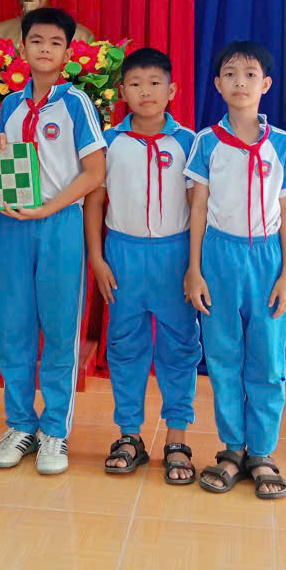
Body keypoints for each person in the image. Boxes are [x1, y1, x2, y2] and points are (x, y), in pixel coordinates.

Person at [0, 7, 106, 474]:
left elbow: (95, 172)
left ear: (68, 53)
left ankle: (55, 430)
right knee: (13, 329)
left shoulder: (76, 104)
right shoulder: (11, 105)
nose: (45, 49)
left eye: (55, 43)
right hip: (14, 226)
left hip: (59, 225)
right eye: (36, 41)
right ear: (22, 47)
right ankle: (20, 424)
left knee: (59, 330)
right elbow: (1, 164)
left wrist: (49, 208)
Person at [184, 41, 286, 499]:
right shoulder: (207, 142)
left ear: (266, 85)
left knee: (268, 359)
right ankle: (232, 448)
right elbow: (198, 208)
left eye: (250, 75)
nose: (240, 83)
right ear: (217, 84)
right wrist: (194, 269)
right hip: (219, 257)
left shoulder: (281, 144)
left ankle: (263, 452)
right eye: (230, 74)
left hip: (267, 259)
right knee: (222, 356)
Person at [84, 47, 200, 483]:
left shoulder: (189, 142)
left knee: (180, 347)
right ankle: (129, 435)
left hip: (175, 257)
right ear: (121, 92)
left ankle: (177, 438)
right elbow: (94, 201)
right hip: (123, 255)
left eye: (154, 83)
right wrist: (97, 258)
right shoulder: (110, 143)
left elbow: (199, 208)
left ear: (172, 90)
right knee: (125, 345)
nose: (145, 92)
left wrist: (194, 265)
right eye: (135, 84)